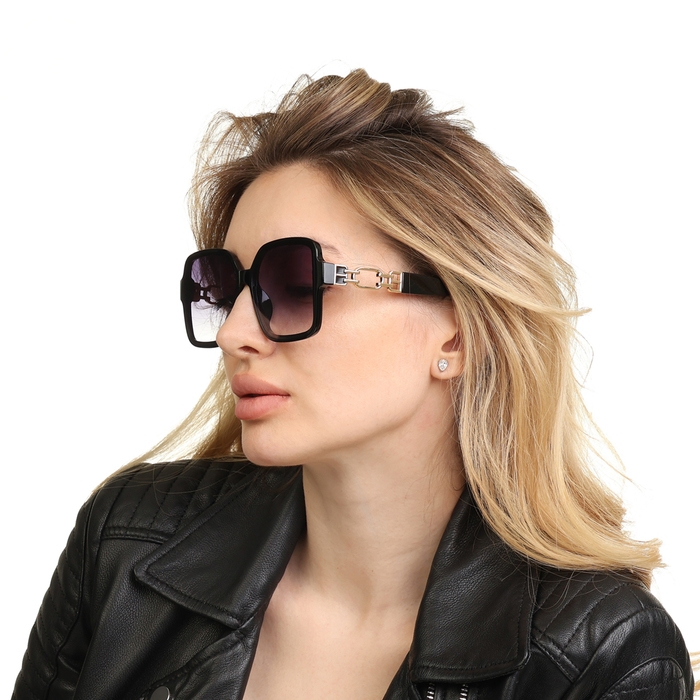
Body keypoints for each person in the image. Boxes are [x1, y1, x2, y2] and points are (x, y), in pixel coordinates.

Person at [13, 69, 696, 700]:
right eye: (227, 286)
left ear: (455, 335)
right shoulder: (124, 546)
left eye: (294, 282)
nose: (234, 333)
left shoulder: (604, 654)